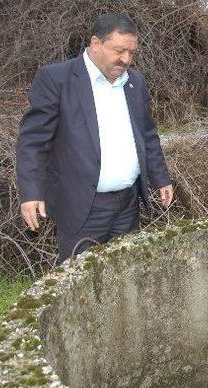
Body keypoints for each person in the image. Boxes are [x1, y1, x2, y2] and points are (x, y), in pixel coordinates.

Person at [17, 13, 173, 264]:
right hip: (83, 207)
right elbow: (33, 141)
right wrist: (31, 192)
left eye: (131, 52)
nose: (126, 59)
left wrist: (160, 177)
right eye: (119, 50)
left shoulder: (134, 82)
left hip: (128, 204)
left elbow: (147, 134)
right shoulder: (57, 79)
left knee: (125, 276)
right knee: (81, 287)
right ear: (96, 43)